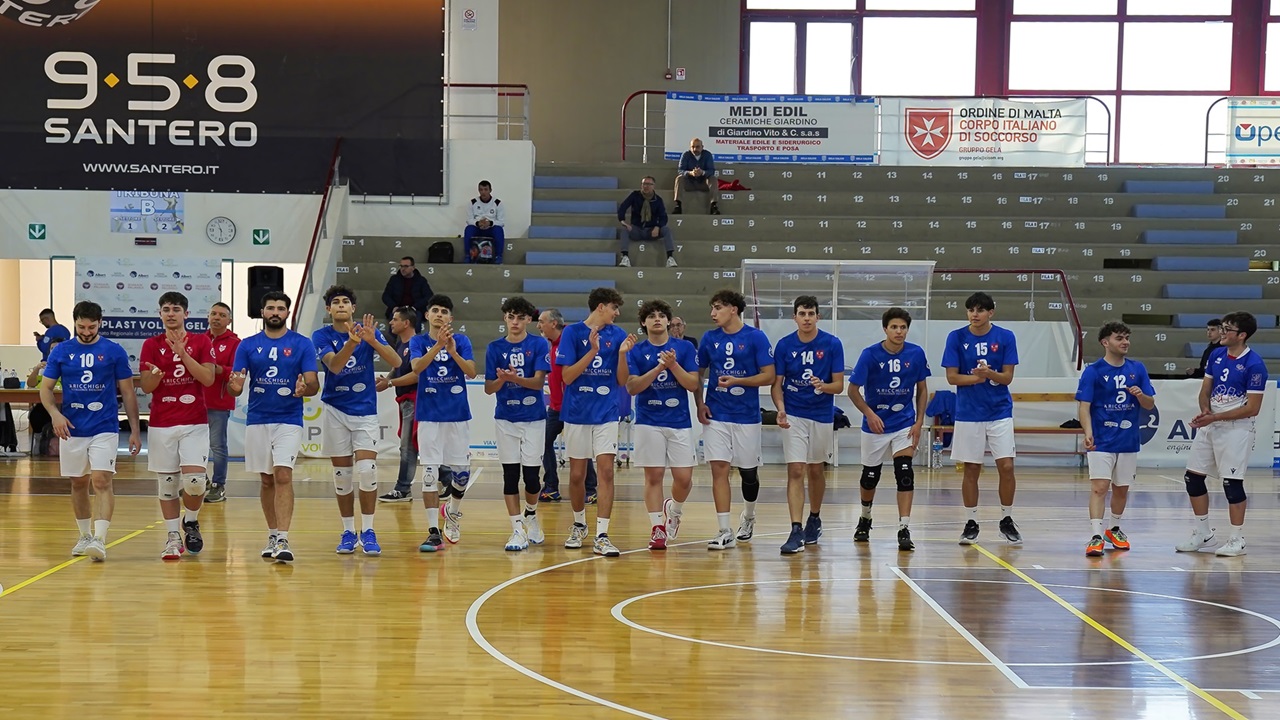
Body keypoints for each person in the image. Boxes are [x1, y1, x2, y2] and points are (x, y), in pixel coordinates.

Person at [39, 300, 141, 561]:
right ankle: (84, 536)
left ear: (100, 323)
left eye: (91, 327)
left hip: (104, 425)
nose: (86, 331)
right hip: (72, 427)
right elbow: (46, 389)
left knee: (101, 480)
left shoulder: (113, 351)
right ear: (74, 323)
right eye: (81, 326)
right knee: (78, 482)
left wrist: (134, 430)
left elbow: (128, 392)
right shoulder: (61, 351)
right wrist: (55, 414)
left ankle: (100, 539)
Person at [228, 291, 320, 564]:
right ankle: (271, 534)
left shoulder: (302, 344)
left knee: (283, 475)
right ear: (263, 312)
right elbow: (237, 385)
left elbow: (313, 384)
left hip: (288, 419)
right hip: (257, 419)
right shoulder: (247, 345)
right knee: (266, 479)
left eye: (281, 308)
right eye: (271, 308)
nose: (276, 312)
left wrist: (307, 387)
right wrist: (234, 386)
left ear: (287, 313)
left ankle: (283, 538)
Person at [313, 286, 401, 556]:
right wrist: (352, 342)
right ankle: (348, 531)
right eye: (336, 302)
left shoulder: (368, 331)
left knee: (367, 471)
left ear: (353, 308)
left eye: (346, 302)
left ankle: (370, 530)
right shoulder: (321, 335)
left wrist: (373, 341)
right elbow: (335, 366)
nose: (341, 305)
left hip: (364, 410)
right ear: (329, 310)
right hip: (335, 409)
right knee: (342, 477)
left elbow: (397, 360)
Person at [1176, 311, 1267, 557]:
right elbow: (1205, 389)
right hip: (1211, 424)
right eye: (1223, 328)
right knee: (1192, 478)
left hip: (1236, 429)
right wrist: (1206, 411)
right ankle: (1203, 532)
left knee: (1231, 483)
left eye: (1228, 329)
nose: (1222, 332)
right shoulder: (1216, 355)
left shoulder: (1254, 364)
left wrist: (1214, 417)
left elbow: (1253, 408)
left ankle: (1237, 539)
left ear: (1242, 335)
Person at [696, 288, 775, 550]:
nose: (712, 313)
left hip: (746, 415)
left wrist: (739, 381)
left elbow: (769, 376)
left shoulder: (756, 338)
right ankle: (724, 530)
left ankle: (749, 516)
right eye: (712, 307)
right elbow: (697, 373)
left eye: (717, 307)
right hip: (717, 413)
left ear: (733, 309)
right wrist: (700, 404)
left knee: (747, 473)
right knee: (719, 469)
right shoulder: (709, 338)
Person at [140, 292, 216, 561]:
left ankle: (191, 521)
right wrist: (156, 377)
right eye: (165, 309)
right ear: (160, 314)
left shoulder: (201, 341)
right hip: (162, 423)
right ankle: (173, 537)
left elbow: (207, 378)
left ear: (186, 313)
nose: (170, 313)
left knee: (195, 483)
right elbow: (146, 386)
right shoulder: (151, 344)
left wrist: (183, 354)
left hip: (194, 421)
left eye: (175, 309)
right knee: (168, 485)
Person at [555, 287, 631, 557]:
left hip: (607, 413)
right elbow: (567, 377)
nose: (617, 313)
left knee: (606, 471)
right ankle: (579, 525)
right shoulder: (572, 333)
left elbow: (622, 381)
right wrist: (592, 351)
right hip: (577, 412)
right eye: (614, 307)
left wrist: (621, 355)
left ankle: (602, 534)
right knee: (577, 474)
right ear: (601, 307)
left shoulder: (619, 335)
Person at [848, 308, 931, 552]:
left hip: (903, 423)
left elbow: (923, 389)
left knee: (905, 473)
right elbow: (853, 390)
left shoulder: (916, 353)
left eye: (903, 327)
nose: (899, 331)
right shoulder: (870, 355)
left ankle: (904, 527)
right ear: (885, 329)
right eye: (894, 327)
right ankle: (865, 518)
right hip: (876, 424)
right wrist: (869, 414)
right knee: (869, 477)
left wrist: (918, 422)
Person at [942, 291, 1021, 546]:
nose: (974, 314)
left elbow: (1007, 377)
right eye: (970, 310)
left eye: (980, 310)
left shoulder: (1005, 336)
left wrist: (989, 373)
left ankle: (1006, 519)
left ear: (990, 313)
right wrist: (978, 378)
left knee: (1006, 466)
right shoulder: (956, 337)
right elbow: (952, 377)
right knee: (971, 469)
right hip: (968, 413)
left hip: (999, 411)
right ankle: (971, 521)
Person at [623, 299, 700, 551]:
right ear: (643, 323)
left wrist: (673, 365)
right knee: (653, 476)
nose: (657, 319)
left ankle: (674, 510)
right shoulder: (636, 351)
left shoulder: (685, 347)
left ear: (668, 320)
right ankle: (657, 528)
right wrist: (659, 366)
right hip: (648, 420)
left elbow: (692, 384)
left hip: (679, 421)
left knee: (684, 478)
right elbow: (632, 387)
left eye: (661, 315)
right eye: (651, 316)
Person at [1076, 321, 1156, 557]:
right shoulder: (1094, 371)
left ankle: (1115, 528)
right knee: (1100, 487)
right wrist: (1087, 432)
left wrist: (1141, 395)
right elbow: (1084, 406)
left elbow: (1150, 404)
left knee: (1121, 489)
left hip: (1128, 438)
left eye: (1126, 338)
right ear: (1105, 342)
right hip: (1102, 438)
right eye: (1119, 338)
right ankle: (1096, 535)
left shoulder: (1137, 368)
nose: (1125, 342)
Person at [772, 296, 845, 555]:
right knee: (795, 471)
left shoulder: (832, 344)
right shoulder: (784, 345)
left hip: (822, 414)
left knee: (816, 470)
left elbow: (839, 385)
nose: (806, 318)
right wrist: (781, 410)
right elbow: (776, 385)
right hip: (794, 414)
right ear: (795, 317)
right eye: (802, 313)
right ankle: (795, 529)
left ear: (818, 317)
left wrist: (822, 386)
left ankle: (814, 517)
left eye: (811, 313)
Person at [410, 294, 477, 551]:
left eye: (444, 311)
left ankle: (452, 511)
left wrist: (451, 351)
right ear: (427, 315)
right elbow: (417, 368)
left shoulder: (461, 340)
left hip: (457, 415)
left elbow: (471, 371)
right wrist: (437, 347)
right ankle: (432, 532)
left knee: (461, 476)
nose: (439, 314)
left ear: (451, 318)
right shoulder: (418, 341)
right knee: (429, 475)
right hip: (429, 415)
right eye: (435, 310)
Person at [484, 297, 551, 551]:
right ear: (505, 318)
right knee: (510, 477)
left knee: (532, 478)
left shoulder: (538, 344)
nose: (515, 322)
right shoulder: (494, 348)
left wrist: (515, 378)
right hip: (505, 419)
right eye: (511, 316)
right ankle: (516, 530)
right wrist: (503, 380)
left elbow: (537, 383)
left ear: (528, 320)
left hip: (533, 418)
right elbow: (489, 388)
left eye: (520, 317)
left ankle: (531, 514)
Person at [537, 308, 598, 504]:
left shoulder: (570, 339)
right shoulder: (550, 345)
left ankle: (590, 489)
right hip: (555, 408)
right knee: (543, 442)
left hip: (574, 407)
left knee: (581, 449)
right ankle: (551, 487)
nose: (538, 326)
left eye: (541, 321)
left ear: (553, 323)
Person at [378, 306, 422, 503]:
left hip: (415, 399)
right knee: (416, 444)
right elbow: (397, 367)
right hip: (405, 400)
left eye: (395, 319)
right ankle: (447, 478)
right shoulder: (401, 344)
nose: (391, 322)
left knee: (408, 446)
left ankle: (403, 488)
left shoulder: (415, 344)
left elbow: (416, 374)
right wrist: (386, 379)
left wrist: (389, 383)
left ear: (406, 323)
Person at [204, 302, 240, 504]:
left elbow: (236, 370)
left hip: (219, 402)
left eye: (222, 315)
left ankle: (219, 485)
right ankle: (201, 482)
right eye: (213, 314)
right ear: (208, 317)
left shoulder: (235, 343)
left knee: (217, 445)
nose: (217, 318)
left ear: (229, 320)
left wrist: (216, 369)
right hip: (195, 402)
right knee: (195, 445)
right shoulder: (200, 339)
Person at [617, 176, 677, 268]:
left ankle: (670, 258)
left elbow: (663, 217)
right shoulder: (635, 195)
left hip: (651, 230)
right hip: (637, 229)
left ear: (653, 186)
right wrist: (623, 221)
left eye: (649, 184)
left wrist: (657, 227)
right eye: (644, 184)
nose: (646, 186)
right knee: (624, 230)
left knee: (666, 230)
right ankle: (625, 257)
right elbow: (623, 207)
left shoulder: (658, 200)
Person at [672, 137, 721, 216]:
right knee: (679, 178)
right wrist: (690, 173)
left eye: (697, 147)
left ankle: (714, 206)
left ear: (702, 147)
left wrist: (702, 172)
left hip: (703, 183)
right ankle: (678, 205)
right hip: (690, 182)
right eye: (693, 147)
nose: (695, 149)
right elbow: (680, 170)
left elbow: (711, 171)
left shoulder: (707, 154)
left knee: (713, 178)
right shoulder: (686, 155)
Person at [381, 256, 434, 328]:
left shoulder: (421, 280)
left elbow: (429, 296)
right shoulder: (394, 279)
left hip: (415, 309)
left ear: (413, 267)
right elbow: (385, 296)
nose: (403, 269)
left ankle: (413, 339)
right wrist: (393, 306)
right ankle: (394, 339)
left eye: (406, 266)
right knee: (394, 325)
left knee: (415, 323)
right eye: (401, 266)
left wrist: (415, 307)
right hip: (398, 309)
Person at [464, 180, 506, 264]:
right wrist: (477, 223)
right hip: (477, 228)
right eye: (481, 190)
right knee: (468, 229)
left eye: (486, 189)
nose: (483, 192)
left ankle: (498, 256)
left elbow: (501, 222)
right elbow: (469, 220)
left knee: (499, 230)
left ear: (490, 190)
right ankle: (468, 256)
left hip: (491, 228)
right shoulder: (473, 203)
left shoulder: (497, 203)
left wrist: (490, 223)